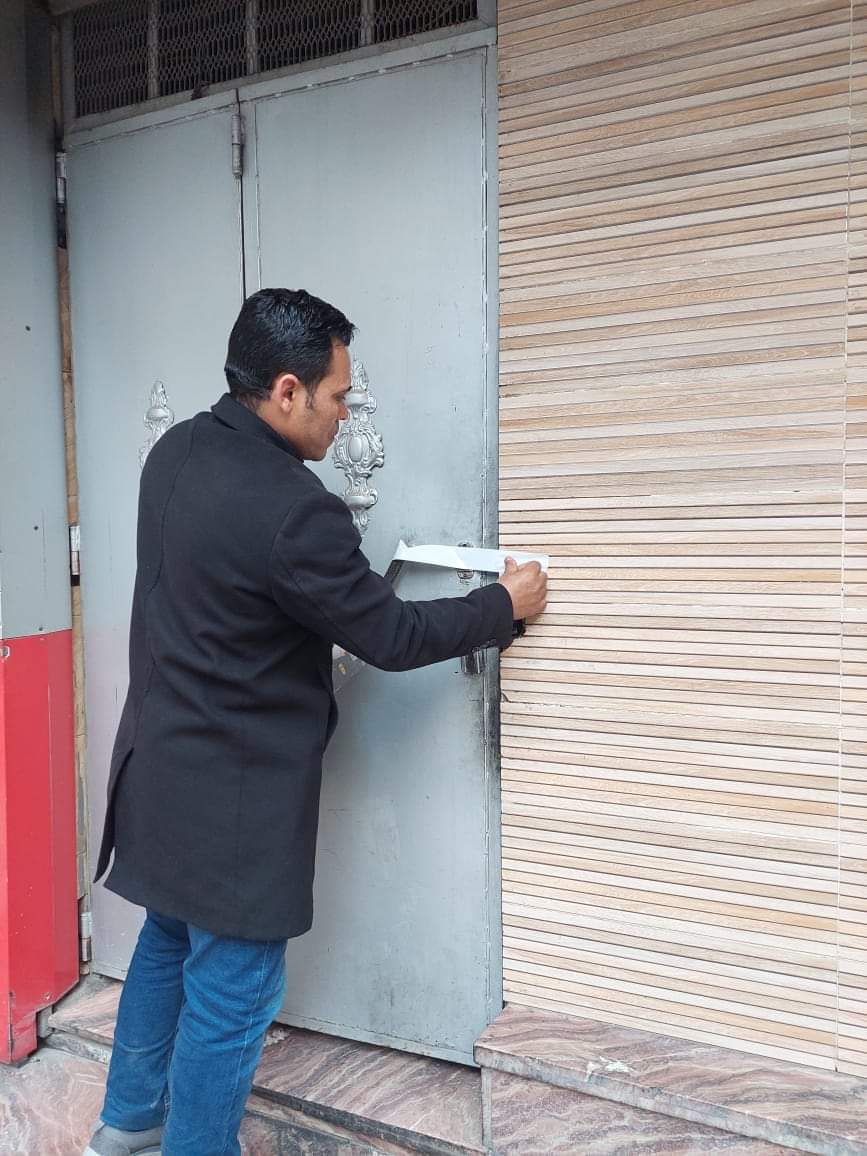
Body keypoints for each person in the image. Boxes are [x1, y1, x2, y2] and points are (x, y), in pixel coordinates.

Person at [83, 288, 548, 1156]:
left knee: (165, 945)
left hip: (156, 766)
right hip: (233, 807)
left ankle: (126, 1126)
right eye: (337, 396)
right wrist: (500, 605)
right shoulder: (295, 509)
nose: (346, 415)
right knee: (234, 996)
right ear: (287, 390)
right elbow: (389, 635)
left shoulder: (174, 451)